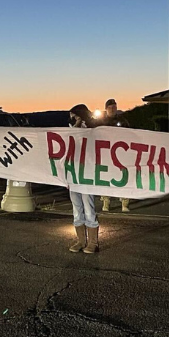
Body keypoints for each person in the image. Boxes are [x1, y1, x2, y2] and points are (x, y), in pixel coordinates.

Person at [67, 104, 99, 254]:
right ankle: (81, 240)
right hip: (73, 173)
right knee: (76, 207)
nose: (73, 118)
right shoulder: (70, 128)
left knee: (88, 206)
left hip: (87, 173)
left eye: (75, 115)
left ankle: (93, 242)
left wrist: (81, 125)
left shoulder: (93, 128)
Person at [99, 98, 131, 213]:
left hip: (120, 155)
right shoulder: (101, 122)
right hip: (105, 155)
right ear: (106, 109)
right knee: (106, 178)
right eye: (110, 107)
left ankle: (124, 203)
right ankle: (106, 202)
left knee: (123, 177)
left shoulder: (122, 121)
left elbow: (129, 134)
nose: (113, 109)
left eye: (114, 107)